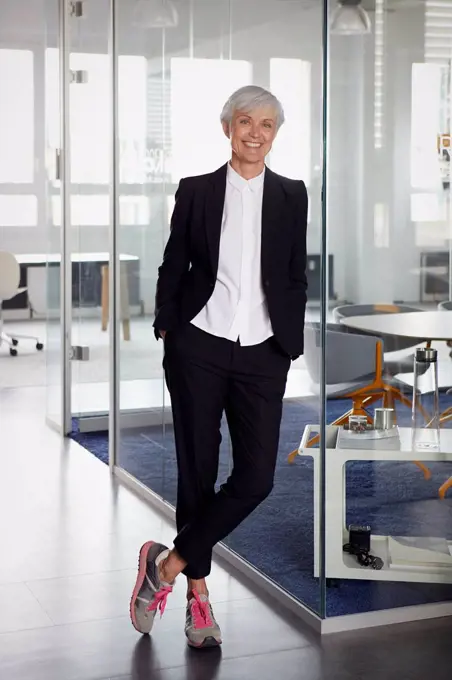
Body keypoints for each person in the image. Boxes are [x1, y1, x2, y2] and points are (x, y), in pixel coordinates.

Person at [129, 85, 308, 649]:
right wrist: (167, 324)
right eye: (246, 122)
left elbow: (294, 273)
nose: (256, 133)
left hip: (263, 349)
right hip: (199, 343)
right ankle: (198, 597)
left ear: (276, 133)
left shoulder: (292, 194)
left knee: (256, 477)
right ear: (227, 127)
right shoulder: (199, 191)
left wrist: (290, 338)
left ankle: (167, 563)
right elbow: (172, 261)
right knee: (197, 471)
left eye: (268, 125)